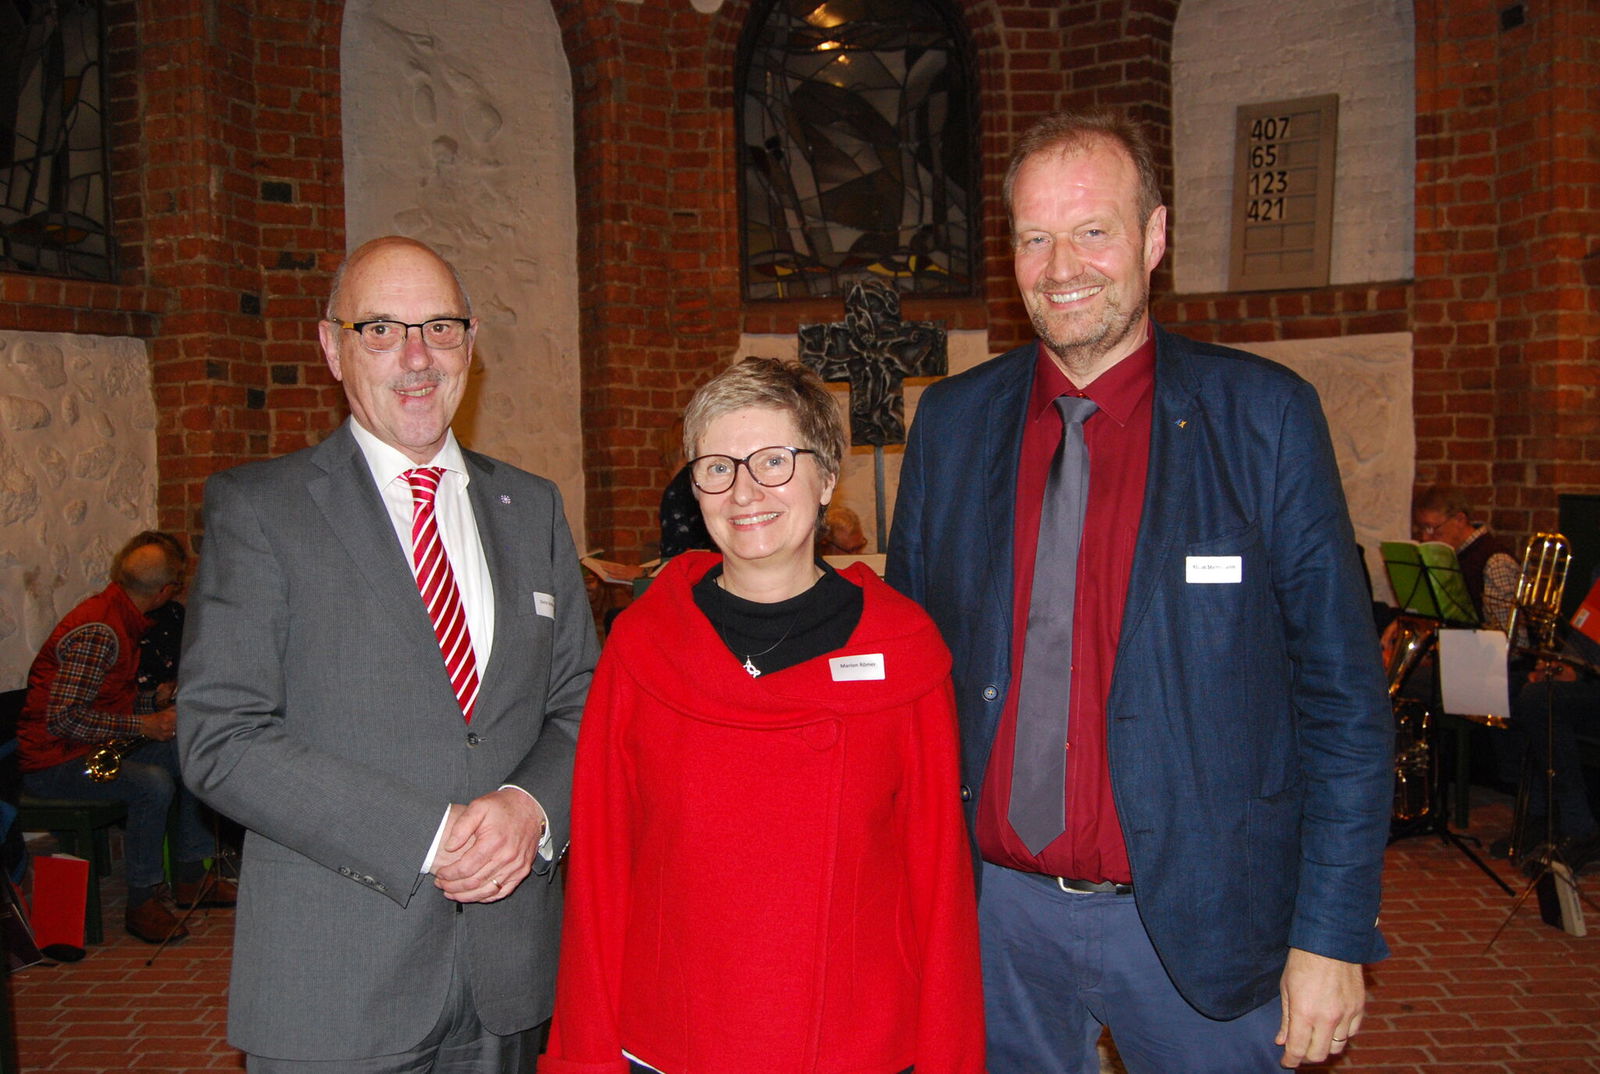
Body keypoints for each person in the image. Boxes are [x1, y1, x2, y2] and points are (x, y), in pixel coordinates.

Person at [886, 109, 1392, 1073]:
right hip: (997, 923)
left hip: (1200, 924)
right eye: (1035, 237)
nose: (1061, 264)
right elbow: (913, 677)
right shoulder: (951, 428)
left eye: (1092, 230)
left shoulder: (1265, 418)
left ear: (1155, 237)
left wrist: (1332, 935)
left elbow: (1342, 701)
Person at [177, 236, 597, 1072]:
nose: (415, 357)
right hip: (337, 980)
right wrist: (428, 835)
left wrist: (530, 809)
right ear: (332, 347)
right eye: (380, 329)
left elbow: (580, 698)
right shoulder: (260, 509)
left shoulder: (532, 506)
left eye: (440, 329)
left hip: (510, 976)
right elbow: (221, 739)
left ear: (470, 346)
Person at [544, 358, 984, 1074]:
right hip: (672, 1041)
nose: (745, 491)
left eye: (775, 461)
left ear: (827, 477)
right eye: (717, 467)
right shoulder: (644, 647)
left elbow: (939, 890)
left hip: (856, 1044)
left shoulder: (903, 654)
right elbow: (599, 875)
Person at [20, 531, 235, 944]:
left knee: (193, 751)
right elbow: (63, 720)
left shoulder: (118, 615)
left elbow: (102, 703)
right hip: (54, 764)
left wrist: (151, 701)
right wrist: (144, 725)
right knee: (150, 783)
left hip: (86, 748)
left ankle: (191, 875)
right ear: (165, 590)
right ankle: (141, 901)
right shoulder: (100, 630)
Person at [1410, 484, 1518, 630]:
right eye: (1422, 528)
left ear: (1459, 520)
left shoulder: (1495, 561)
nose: (1424, 537)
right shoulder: (1452, 555)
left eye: (1430, 528)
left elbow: (1507, 635)